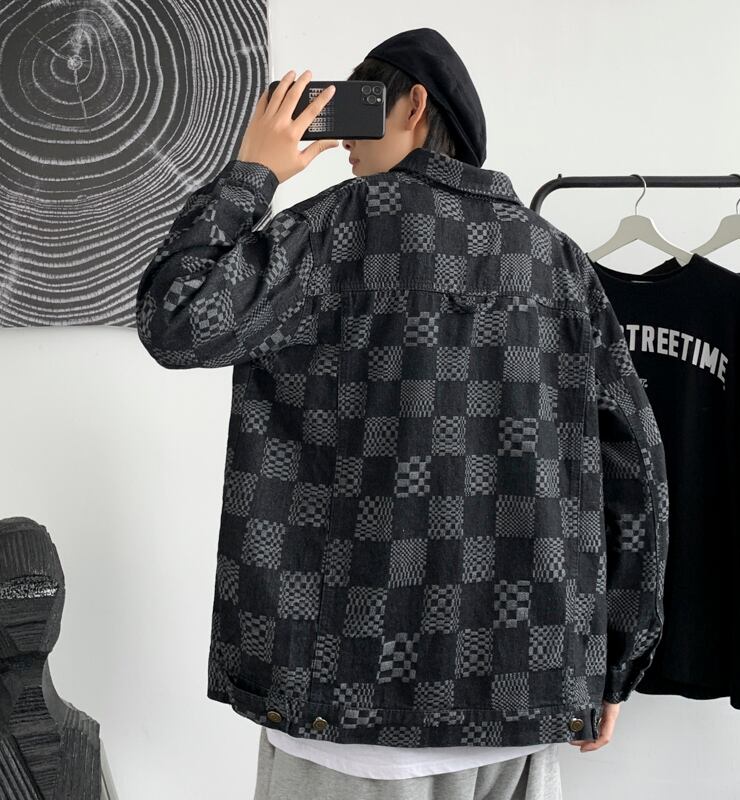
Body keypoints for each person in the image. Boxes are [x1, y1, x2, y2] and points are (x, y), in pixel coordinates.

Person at [136, 27, 667, 800]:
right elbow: (635, 464)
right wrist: (615, 662)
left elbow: (176, 321)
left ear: (415, 105)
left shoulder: (330, 230)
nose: (345, 137)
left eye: (360, 106)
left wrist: (255, 171)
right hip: (521, 697)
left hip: (339, 712)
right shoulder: (555, 259)